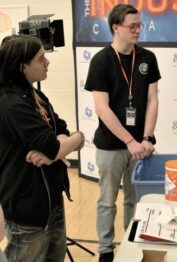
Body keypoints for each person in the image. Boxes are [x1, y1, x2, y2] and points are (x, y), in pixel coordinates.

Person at [84, 4, 161, 261]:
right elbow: (102, 108)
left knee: (134, 200)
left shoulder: (147, 58)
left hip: (140, 145)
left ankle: (131, 244)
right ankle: (106, 249)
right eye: (132, 26)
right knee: (107, 201)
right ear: (116, 28)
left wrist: (147, 138)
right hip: (111, 145)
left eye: (140, 25)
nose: (138, 30)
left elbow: (152, 99)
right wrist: (129, 141)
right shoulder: (101, 61)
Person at [0, 34, 85, 261]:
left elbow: (61, 130)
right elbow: (52, 147)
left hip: (51, 202)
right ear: (22, 66)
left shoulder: (34, 94)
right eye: (41, 59)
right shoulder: (11, 103)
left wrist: (71, 140)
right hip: (27, 212)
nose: (47, 63)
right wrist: (70, 143)